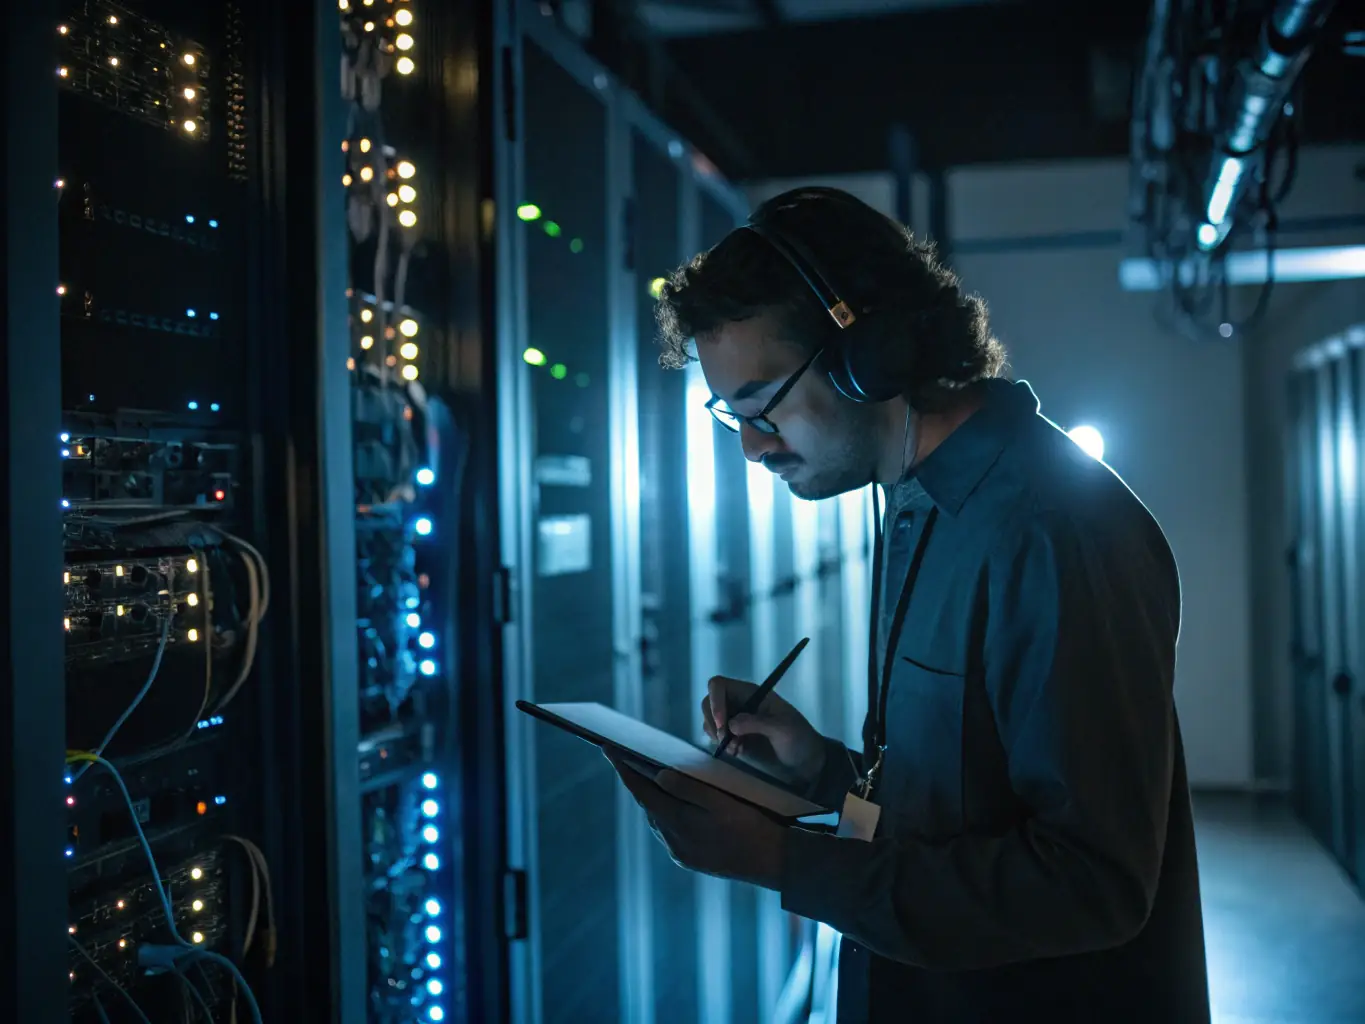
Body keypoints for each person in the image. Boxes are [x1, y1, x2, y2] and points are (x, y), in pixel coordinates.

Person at [605, 187, 1211, 1022]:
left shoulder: (1052, 529)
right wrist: (817, 771)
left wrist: (787, 863)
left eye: (759, 404)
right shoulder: (911, 502)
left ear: (869, 355)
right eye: (727, 413)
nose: (748, 445)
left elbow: (1092, 885)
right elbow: (959, 814)